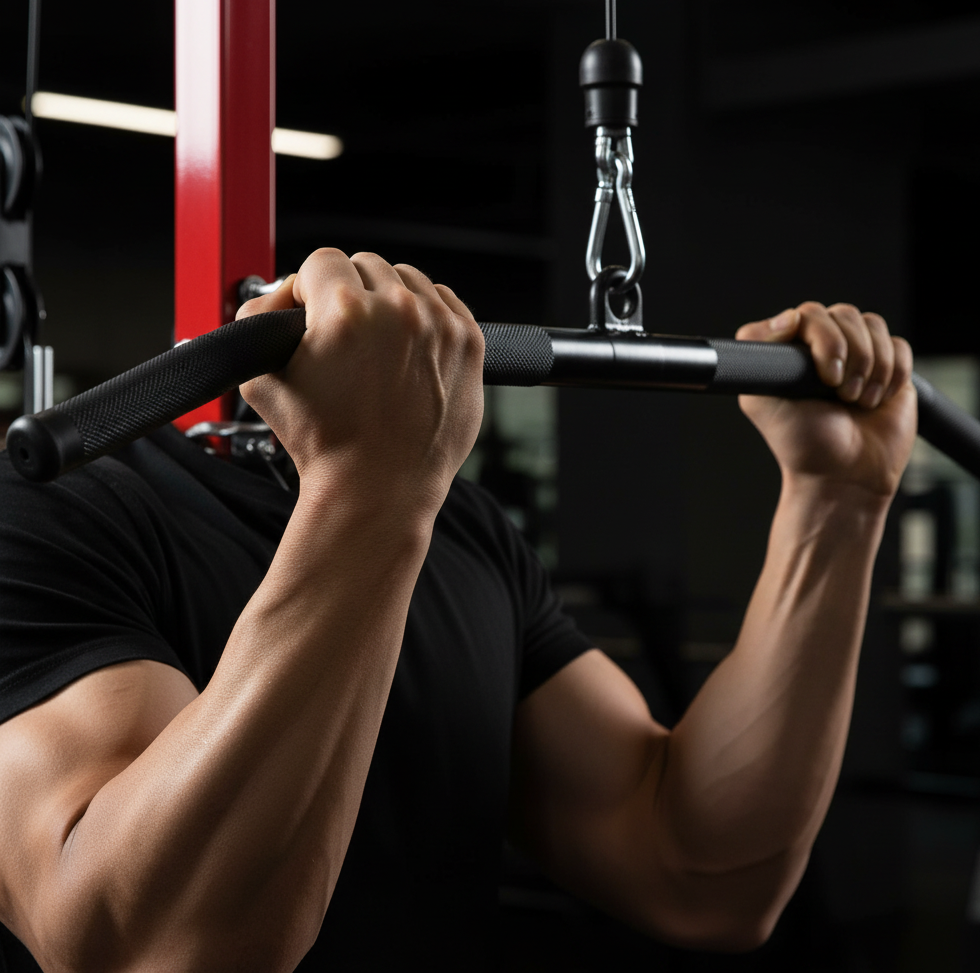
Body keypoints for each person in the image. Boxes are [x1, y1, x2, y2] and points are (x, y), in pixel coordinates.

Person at [0, 248, 916, 972]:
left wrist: (836, 502)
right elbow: (148, 954)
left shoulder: (456, 525)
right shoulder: (44, 518)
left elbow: (700, 871)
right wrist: (374, 486)